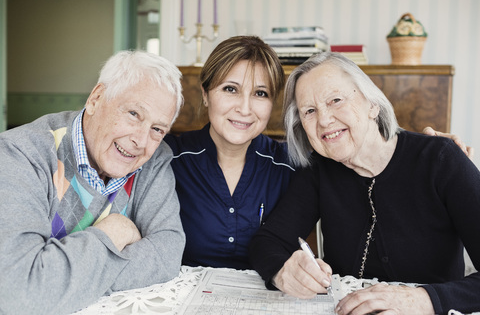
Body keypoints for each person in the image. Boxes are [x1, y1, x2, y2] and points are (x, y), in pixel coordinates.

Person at [249, 52, 480, 314]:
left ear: (372, 104)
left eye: (335, 100)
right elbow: (268, 241)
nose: (324, 120)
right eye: (310, 111)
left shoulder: (441, 159)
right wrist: (282, 271)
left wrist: (424, 299)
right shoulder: (319, 168)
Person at [0, 50, 186, 315]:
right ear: (96, 99)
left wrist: (60, 278)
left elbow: (167, 253)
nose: (142, 141)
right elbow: (19, 291)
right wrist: (113, 232)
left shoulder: (153, 160)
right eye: (134, 114)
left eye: (158, 129)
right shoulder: (20, 155)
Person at [164, 36, 295, 269]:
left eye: (260, 93)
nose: (244, 108)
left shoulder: (290, 165)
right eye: (230, 89)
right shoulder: (170, 158)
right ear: (205, 94)